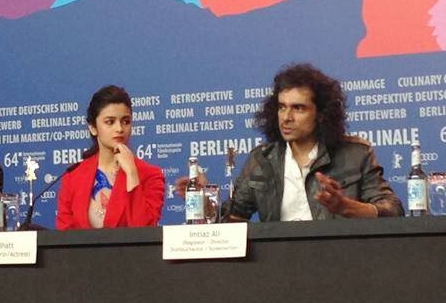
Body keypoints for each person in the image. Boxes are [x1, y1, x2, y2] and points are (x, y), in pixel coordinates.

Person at [178, 64, 404, 221]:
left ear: (322, 113)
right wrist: (205, 201)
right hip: (280, 269)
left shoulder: (356, 153)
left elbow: (393, 210)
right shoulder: (262, 159)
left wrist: (346, 207)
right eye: (281, 107)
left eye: (298, 108)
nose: (286, 117)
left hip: (342, 263)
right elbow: (233, 219)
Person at [56, 85, 165, 229]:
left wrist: (132, 173)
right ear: (93, 128)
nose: (119, 128)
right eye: (110, 122)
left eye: (126, 121)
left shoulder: (150, 175)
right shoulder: (73, 177)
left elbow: (145, 231)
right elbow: (64, 237)